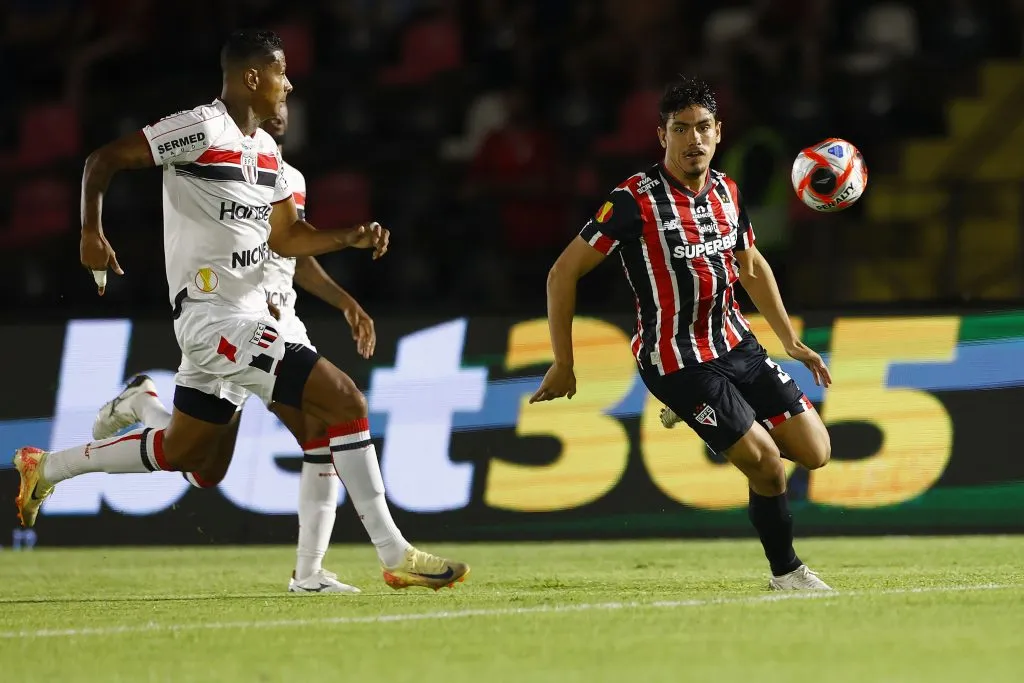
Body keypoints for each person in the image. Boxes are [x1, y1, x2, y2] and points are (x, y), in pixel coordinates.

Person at [14, 29, 469, 592]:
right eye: (281, 72)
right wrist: (91, 231)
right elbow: (102, 160)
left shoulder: (268, 153)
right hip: (214, 319)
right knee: (344, 401)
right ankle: (394, 553)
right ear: (252, 77)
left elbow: (287, 238)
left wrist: (346, 237)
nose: (289, 84)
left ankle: (49, 465)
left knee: (193, 459)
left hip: (248, 316)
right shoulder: (201, 128)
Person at [531, 76, 833, 591]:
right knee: (767, 465)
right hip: (676, 361)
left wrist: (789, 339)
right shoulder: (633, 200)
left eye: (703, 127)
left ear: (719, 133)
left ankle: (708, 415)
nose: (694, 139)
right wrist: (564, 362)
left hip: (735, 343)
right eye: (681, 128)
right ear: (662, 135)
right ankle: (787, 573)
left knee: (816, 451)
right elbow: (562, 272)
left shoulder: (727, 191)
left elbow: (750, 265)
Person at [90, 105, 380, 594]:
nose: (283, 104)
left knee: (206, 470)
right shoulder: (217, 152)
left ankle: (144, 404)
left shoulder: (288, 177)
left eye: (287, 99)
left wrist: (345, 301)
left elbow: (293, 252)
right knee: (319, 427)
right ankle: (313, 572)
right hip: (232, 323)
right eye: (277, 85)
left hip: (273, 323)